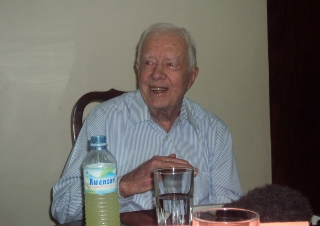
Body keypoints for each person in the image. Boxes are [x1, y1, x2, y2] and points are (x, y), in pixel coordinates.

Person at [51, 23, 242, 224]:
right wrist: (122, 186)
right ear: (137, 69)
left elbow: (229, 213)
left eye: (171, 64)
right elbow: (62, 207)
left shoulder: (215, 132)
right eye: (148, 63)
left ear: (191, 77)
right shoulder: (103, 121)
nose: (157, 74)